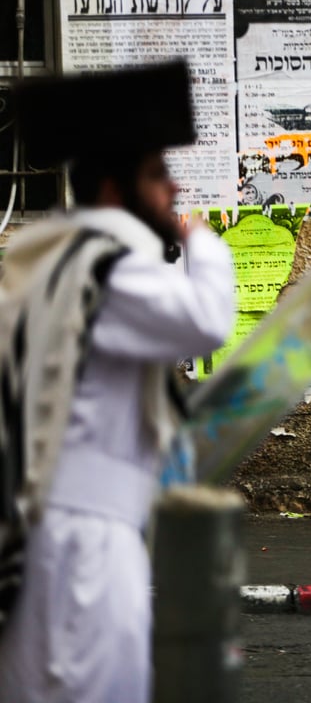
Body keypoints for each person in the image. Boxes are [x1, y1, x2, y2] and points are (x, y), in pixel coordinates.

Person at [0, 61, 235, 700]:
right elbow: (206, 320)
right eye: (158, 175)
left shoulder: (58, 255)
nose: (172, 191)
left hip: (57, 533)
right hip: (86, 544)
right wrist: (201, 237)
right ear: (113, 189)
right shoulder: (108, 263)